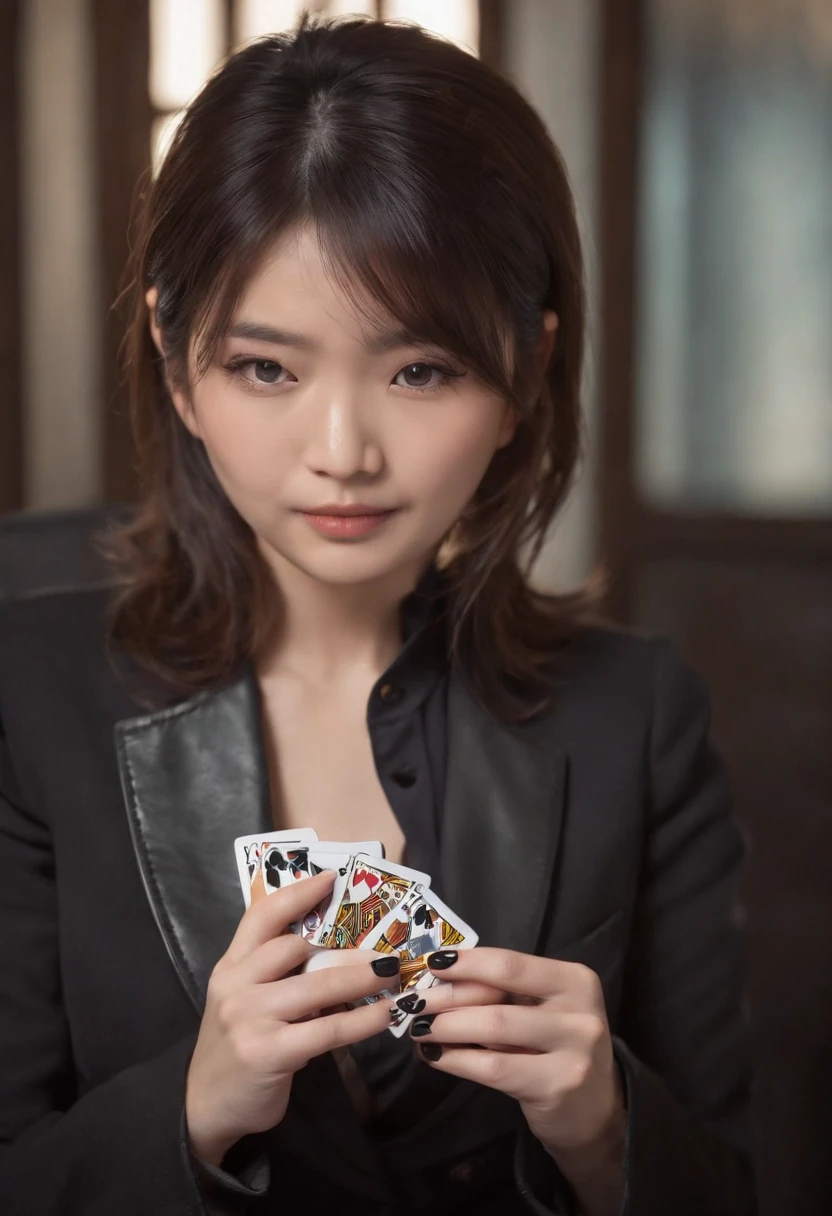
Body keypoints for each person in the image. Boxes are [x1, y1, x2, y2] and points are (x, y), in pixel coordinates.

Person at [0, 13, 755, 1216]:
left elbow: (751, 1181)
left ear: (522, 372)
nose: (342, 452)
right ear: (175, 355)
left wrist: (607, 1132)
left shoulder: (637, 712)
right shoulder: (27, 695)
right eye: (267, 368)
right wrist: (193, 1112)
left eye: (420, 370)